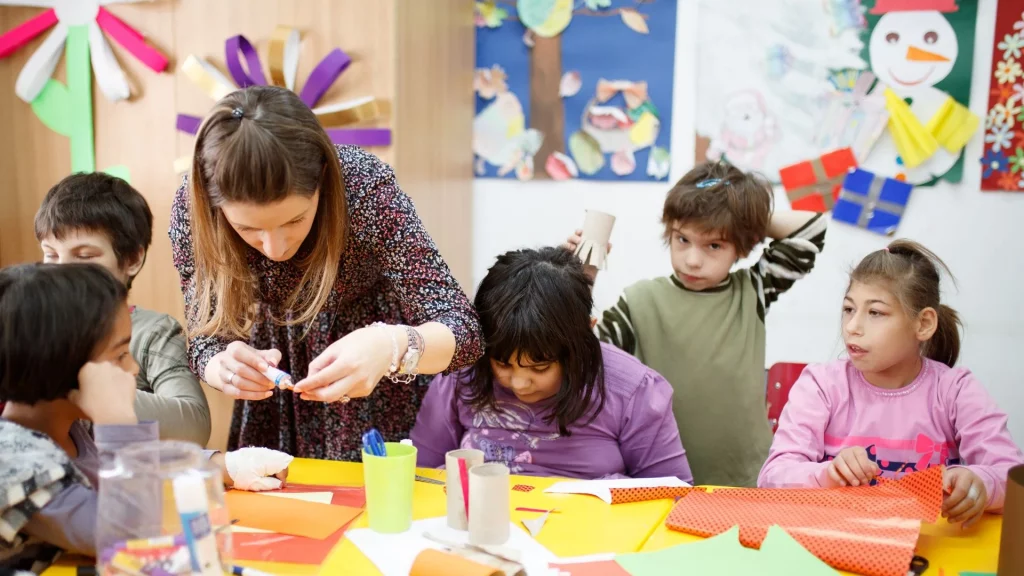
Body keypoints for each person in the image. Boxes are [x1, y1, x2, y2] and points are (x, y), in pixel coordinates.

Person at [170, 85, 482, 460]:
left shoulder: (363, 187)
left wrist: (390, 346)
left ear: (322, 177)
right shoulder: (194, 209)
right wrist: (219, 365)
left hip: (378, 373)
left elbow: (465, 331)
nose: (275, 248)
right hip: (278, 393)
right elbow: (205, 339)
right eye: (248, 229)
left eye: (295, 219)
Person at [567, 161, 827, 487]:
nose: (692, 259)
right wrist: (581, 277)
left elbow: (813, 230)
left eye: (714, 245)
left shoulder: (753, 290)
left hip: (746, 479)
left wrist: (742, 212)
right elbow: (580, 353)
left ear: (740, 248)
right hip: (659, 477)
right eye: (682, 239)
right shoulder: (639, 302)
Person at [759, 240, 1023, 527]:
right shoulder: (821, 385)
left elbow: (1011, 477)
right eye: (849, 309)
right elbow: (773, 477)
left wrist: (980, 483)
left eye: (875, 313)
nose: (852, 327)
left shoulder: (956, 390)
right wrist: (828, 474)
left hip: (930, 552)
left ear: (923, 324)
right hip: (838, 546)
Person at [410, 247, 692, 481]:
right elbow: (421, 476)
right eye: (502, 363)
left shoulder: (634, 390)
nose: (519, 383)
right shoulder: (463, 373)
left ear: (584, 339)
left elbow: (671, 495)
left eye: (540, 368)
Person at [35, 172, 211, 446]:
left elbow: (194, 425)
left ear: (132, 259)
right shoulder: (28, 327)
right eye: (51, 254)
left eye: (84, 256)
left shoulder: (153, 332)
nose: (61, 271)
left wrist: (84, 388)